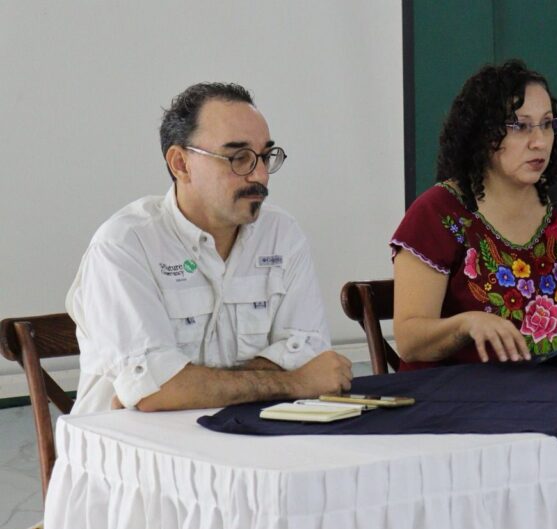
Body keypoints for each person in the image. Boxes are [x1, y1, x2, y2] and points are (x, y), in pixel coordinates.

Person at [66, 83, 352, 413]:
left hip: (242, 436)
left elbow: (311, 357)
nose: (260, 175)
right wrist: (295, 383)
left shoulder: (281, 234)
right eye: (239, 158)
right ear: (181, 163)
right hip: (131, 444)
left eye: (265, 156)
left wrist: (189, 387)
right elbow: (156, 392)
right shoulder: (125, 245)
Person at [391, 60, 557, 369]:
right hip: (457, 394)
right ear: (483, 134)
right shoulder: (440, 212)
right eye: (520, 126)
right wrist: (466, 324)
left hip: (550, 390)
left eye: (547, 124)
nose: (540, 142)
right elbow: (409, 341)